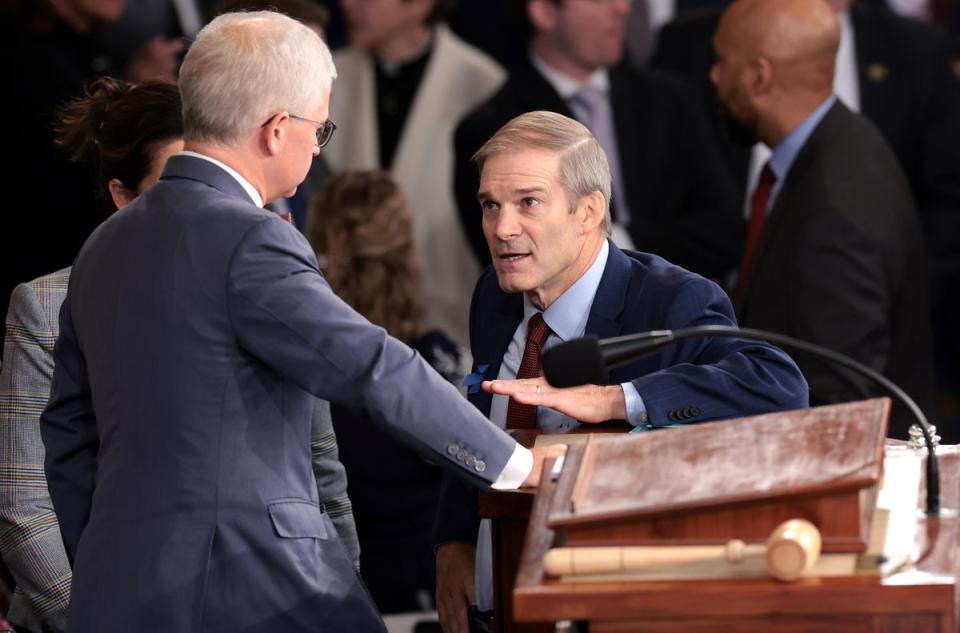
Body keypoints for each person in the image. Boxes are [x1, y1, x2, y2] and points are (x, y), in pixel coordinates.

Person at [38, 12, 559, 632]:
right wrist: (519, 468)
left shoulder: (102, 245)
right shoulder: (250, 237)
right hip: (253, 587)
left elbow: (67, 433)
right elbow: (372, 366)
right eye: (320, 128)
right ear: (277, 129)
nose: (317, 146)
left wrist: (110, 553)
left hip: (117, 592)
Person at [434, 110, 809, 633]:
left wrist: (616, 400)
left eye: (529, 203)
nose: (503, 228)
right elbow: (481, 415)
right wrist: (455, 537)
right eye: (490, 205)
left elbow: (778, 386)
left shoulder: (669, 299)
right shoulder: (494, 297)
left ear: (588, 212)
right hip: (498, 610)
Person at [0, 77, 182, 633]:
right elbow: (22, 508)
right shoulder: (46, 304)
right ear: (122, 195)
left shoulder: (254, 289)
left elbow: (319, 473)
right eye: (173, 187)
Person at [710, 0, 936, 439]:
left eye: (721, 61)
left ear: (759, 76)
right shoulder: (849, 143)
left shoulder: (837, 206)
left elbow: (837, 405)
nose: (714, 77)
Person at [452, 0, 744, 282]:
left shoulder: (671, 101)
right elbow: (512, 257)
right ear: (544, 12)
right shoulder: (489, 129)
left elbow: (725, 230)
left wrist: (619, 241)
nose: (623, 7)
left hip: (677, 320)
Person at [308, 169, 469, 613]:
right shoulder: (438, 365)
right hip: (435, 590)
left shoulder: (301, 371)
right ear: (410, 256)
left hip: (332, 589)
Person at [317, 0, 505, 346]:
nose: (348, 4)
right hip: (349, 317)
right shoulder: (328, 79)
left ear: (420, 5)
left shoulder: (483, 84)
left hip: (451, 319)